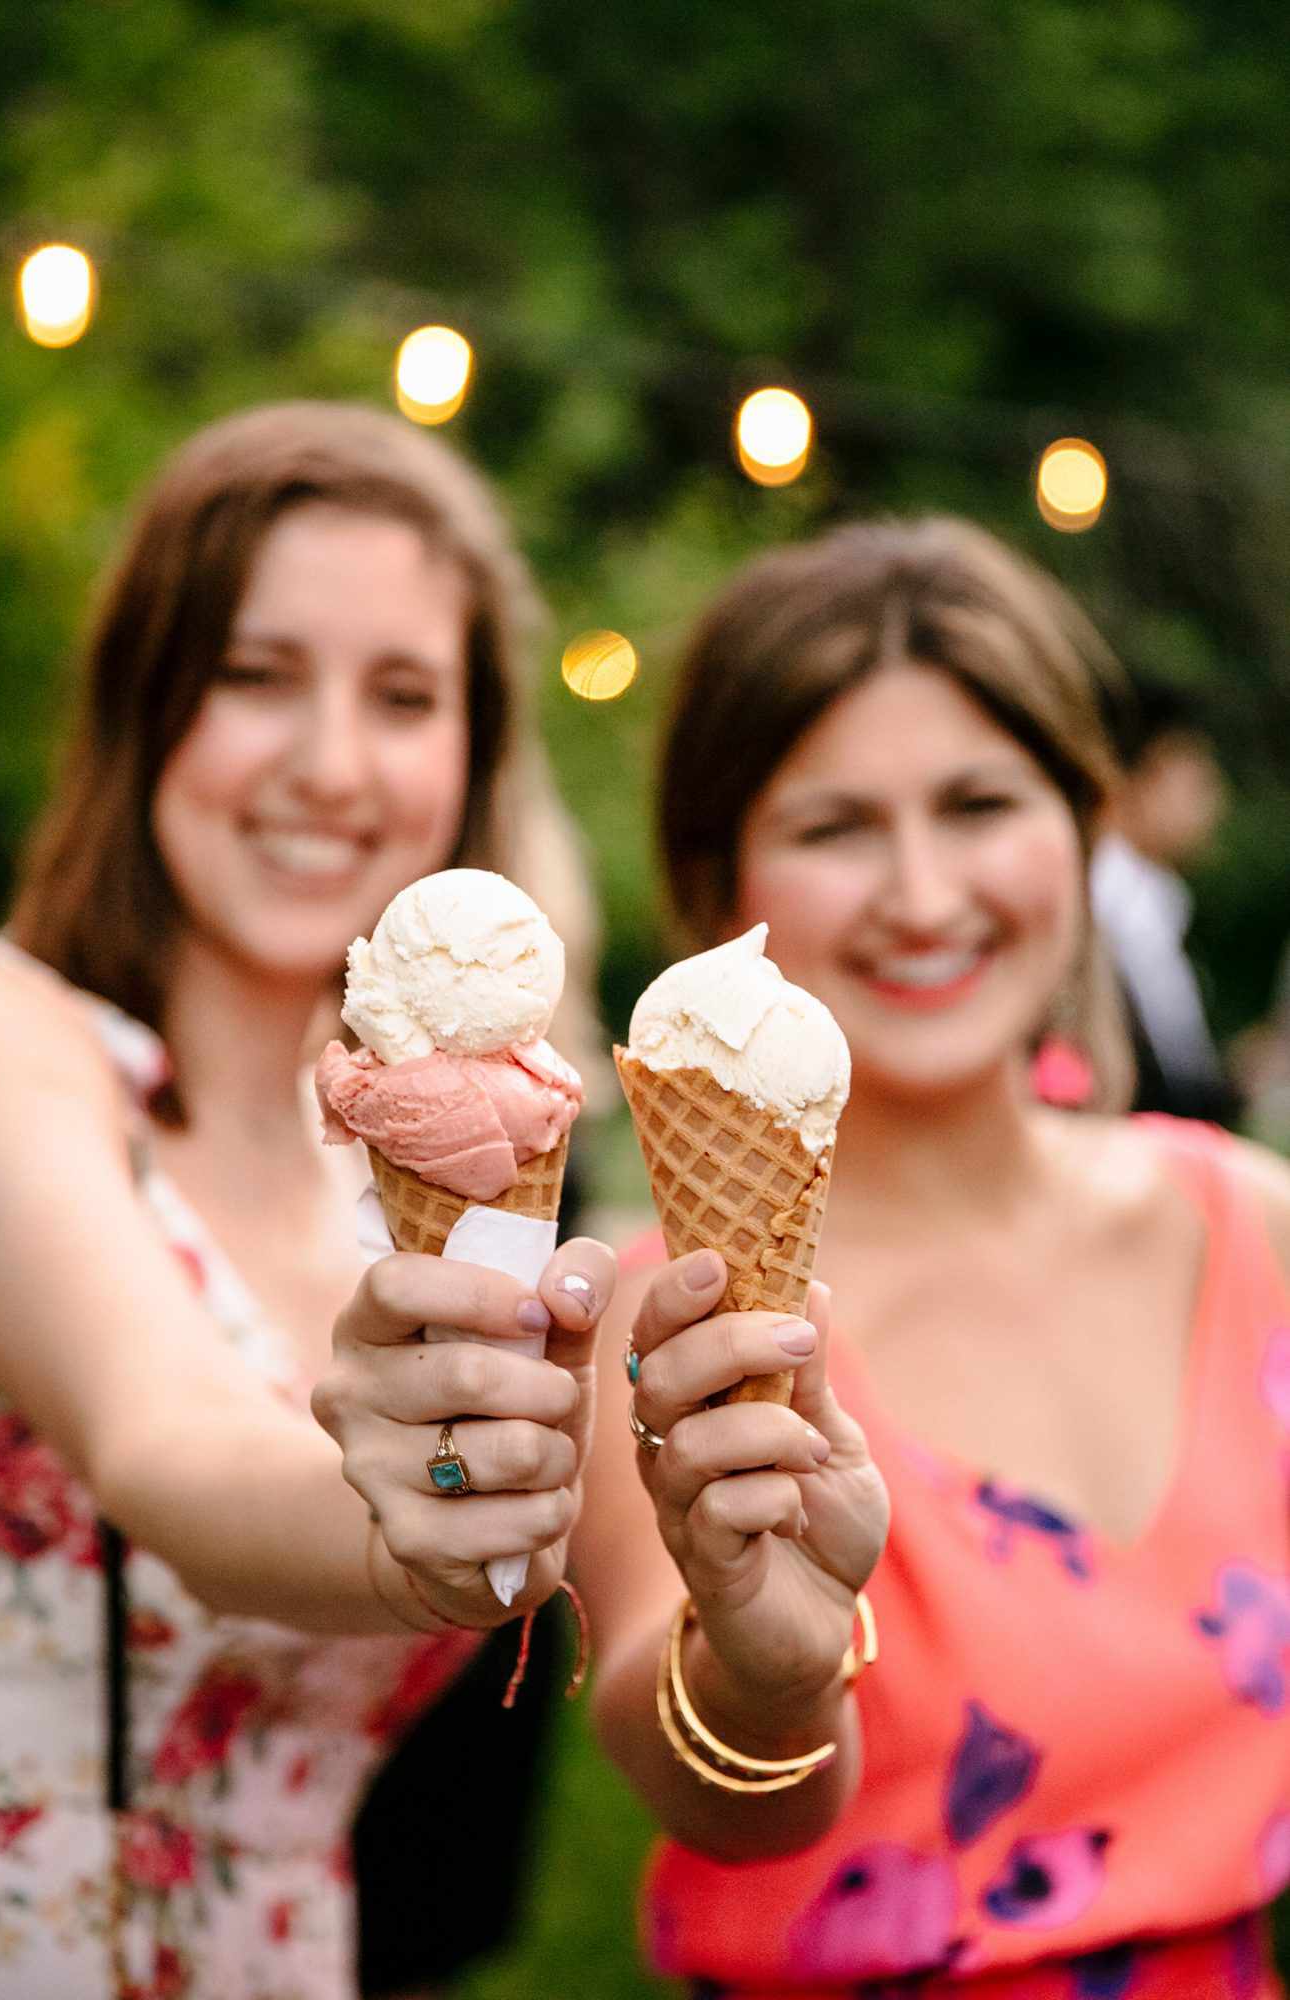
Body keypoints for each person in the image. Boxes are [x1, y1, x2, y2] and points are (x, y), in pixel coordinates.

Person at [572, 518, 1290, 1998]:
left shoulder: (1252, 1229)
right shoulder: (661, 1323)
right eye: (836, 828)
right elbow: (698, 1783)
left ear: (1085, 828)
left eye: (977, 804)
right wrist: (762, 1668)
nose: (919, 893)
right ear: (720, 887)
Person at [0, 400, 615, 2000]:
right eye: (256, 676)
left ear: (471, 756)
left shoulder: (427, 1181)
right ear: (144, 705)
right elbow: (168, 1451)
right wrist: (413, 1535)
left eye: (403, 697)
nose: (329, 765)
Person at [1090, 675, 1241, 1125]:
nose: (1215, 803)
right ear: (1139, 777)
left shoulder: (1151, 908)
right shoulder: (1098, 909)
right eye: (1197, 781)